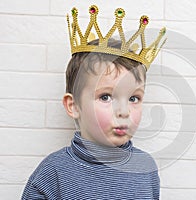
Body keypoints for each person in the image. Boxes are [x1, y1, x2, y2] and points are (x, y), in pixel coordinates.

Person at [22, 5, 166, 200]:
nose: (124, 111)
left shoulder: (146, 168)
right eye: (105, 96)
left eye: (134, 98)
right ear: (73, 106)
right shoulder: (53, 172)